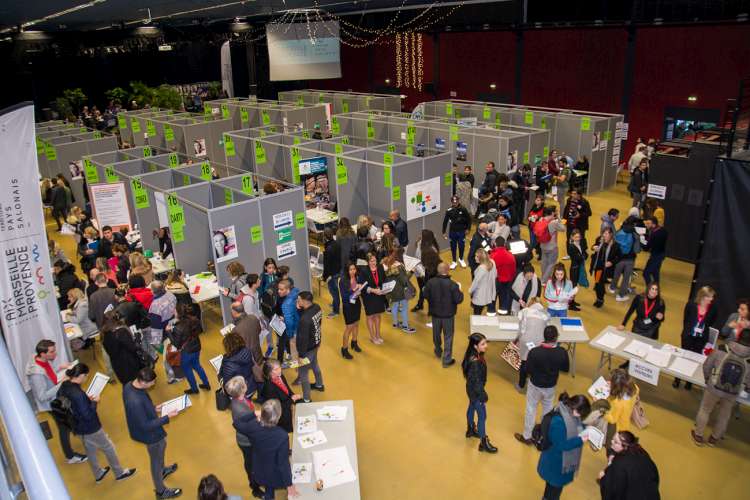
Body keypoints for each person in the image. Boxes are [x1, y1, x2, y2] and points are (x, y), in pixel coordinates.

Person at [57, 363, 136, 483]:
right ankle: (119, 473)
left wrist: (85, 401)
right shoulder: (78, 394)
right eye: (86, 376)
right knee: (108, 447)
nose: (86, 378)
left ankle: (98, 473)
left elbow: (67, 402)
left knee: (90, 449)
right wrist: (94, 402)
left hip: (77, 426)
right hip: (91, 427)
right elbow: (88, 415)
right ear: (81, 375)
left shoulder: (65, 385)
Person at [123, 367, 181, 499]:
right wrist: (167, 417)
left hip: (150, 427)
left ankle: (163, 470)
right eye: (152, 382)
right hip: (149, 434)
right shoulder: (135, 401)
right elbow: (145, 425)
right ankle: (161, 491)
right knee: (155, 459)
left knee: (162, 445)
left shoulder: (129, 386)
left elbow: (141, 410)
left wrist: (154, 408)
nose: (154, 384)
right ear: (143, 382)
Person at [25, 339, 87, 464]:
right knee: (64, 428)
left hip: (57, 398)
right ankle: (70, 456)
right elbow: (42, 396)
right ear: (43, 354)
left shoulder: (41, 360)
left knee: (67, 424)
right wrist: (62, 383)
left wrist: (61, 367)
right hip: (52, 405)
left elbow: (49, 372)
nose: (55, 354)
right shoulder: (36, 374)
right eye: (52, 352)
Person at [691, 328, 750, 446]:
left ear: (738, 337)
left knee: (705, 410)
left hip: (714, 387)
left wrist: (708, 379)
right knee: (724, 415)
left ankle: (698, 435)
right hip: (732, 392)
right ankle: (714, 439)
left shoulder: (722, 348)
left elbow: (707, 365)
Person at [514, 326, 570, 446]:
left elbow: (527, 369)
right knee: (548, 410)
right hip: (551, 386)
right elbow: (565, 368)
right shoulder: (562, 352)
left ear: (544, 336)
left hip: (535, 385)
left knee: (531, 408)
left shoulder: (534, 352)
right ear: (556, 337)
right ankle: (544, 435)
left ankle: (527, 436)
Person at [232, 399, 297, 500]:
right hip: (275, 474)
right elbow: (283, 464)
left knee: (268, 487)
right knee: (271, 482)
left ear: (262, 413)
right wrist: (289, 485)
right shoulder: (282, 436)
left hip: (260, 470)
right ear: (278, 417)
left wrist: (253, 413)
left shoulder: (253, 426)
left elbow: (236, 423)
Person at [536, 393, 591, 500]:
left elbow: (577, 424)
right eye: (581, 414)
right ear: (575, 410)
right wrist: (581, 440)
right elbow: (562, 445)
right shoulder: (559, 422)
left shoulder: (569, 412)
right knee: (554, 490)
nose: (580, 417)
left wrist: (585, 427)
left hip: (560, 462)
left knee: (552, 488)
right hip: (555, 464)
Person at [225, 376, 265, 498]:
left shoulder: (240, 399)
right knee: (251, 464)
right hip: (247, 441)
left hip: (249, 436)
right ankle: (255, 488)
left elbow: (249, 415)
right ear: (243, 389)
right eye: (245, 383)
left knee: (256, 460)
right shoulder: (240, 409)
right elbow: (249, 425)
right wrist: (259, 420)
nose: (247, 383)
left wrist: (255, 414)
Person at [675, 286, 719, 390]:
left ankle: (689, 382)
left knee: (695, 360)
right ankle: (677, 379)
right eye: (710, 297)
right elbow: (686, 320)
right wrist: (688, 331)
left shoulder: (713, 309)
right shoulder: (691, 305)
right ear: (703, 296)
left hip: (701, 339)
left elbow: (711, 322)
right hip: (688, 337)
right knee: (683, 357)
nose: (712, 299)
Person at [462, 333, 498, 453]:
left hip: (470, 389)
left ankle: (470, 429)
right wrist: (483, 396)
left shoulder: (471, 355)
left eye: (485, 342)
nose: (486, 346)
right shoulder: (475, 362)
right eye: (483, 344)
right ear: (475, 346)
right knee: (482, 416)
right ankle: (484, 442)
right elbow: (477, 382)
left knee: (471, 406)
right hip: (476, 392)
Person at [423, 262, 464, 367]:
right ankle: (446, 360)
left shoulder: (430, 282)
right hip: (448, 316)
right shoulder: (453, 285)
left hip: (435, 314)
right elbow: (459, 299)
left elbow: (425, 295)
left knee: (436, 334)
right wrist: (460, 289)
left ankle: (437, 350)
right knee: (448, 336)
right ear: (448, 270)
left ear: (438, 270)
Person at [598, 431, 660, 500]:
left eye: (616, 442)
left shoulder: (619, 464)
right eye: (612, 439)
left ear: (625, 447)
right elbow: (654, 472)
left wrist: (603, 478)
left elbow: (612, 490)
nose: (612, 442)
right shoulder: (641, 451)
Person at [170, 303, 210, 395]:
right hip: (197, 347)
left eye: (174, 310)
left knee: (187, 369)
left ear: (178, 313)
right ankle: (206, 383)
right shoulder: (195, 319)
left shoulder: (178, 327)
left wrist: (169, 332)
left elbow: (176, 344)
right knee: (197, 365)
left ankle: (194, 388)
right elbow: (200, 330)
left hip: (187, 351)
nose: (173, 311)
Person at [295, 291, 325, 402]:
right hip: (316, 343)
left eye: (298, 299)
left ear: (304, 301)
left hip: (307, 349)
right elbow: (318, 322)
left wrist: (301, 355)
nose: (297, 301)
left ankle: (306, 398)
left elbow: (303, 339)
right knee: (314, 364)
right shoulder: (316, 307)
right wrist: (299, 309)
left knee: (303, 373)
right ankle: (319, 384)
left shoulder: (304, 320)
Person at [515, 298, 550, 391]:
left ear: (530, 303)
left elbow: (521, 329)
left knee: (524, 361)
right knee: (537, 363)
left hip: (526, 340)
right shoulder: (545, 314)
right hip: (540, 342)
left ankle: (521, 385)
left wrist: (517, 338)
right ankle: (534, 385)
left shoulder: (524, 311)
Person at [101, 313, 145, 384]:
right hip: (129, 363)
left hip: (117, 364)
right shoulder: (121, 332)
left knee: (126, 384)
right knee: (135, 383)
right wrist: (137, 339)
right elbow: (133, 348)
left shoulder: (104, 334)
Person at [259, 360, 300, 433]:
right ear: (269, 372)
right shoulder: (269, 388)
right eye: (276, 369)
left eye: (279, 367)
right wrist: (292, 400)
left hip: (288, 406)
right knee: (288, 429)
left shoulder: (281, 376)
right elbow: (277, 407)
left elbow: (287, 388)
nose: (280, 370)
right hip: (282, 414)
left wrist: (293, 395)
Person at [383, 251, 416, 333]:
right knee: (404, 308)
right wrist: (411, 271)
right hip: (401, 291)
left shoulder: (386, 265)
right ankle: (405, 326)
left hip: (392, 291)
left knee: (394, 305)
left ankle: (395, 323)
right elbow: (404, 280)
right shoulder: (399, 267)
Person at [610, 216, 641, 301]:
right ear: (634, 224)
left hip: (619, 258)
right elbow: (637, 250)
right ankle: (621, 295)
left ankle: (612, 287)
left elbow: (614, 242)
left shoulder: (620, 229)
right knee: (626, 278)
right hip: (629, 259)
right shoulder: (635, 235)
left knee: (616, 274)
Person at [359, 253, 387, 344]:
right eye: (371, 261)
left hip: (379, 294)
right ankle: (372, 337)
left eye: (375, 260)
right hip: (369, 296)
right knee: (370, 316)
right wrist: (373, 290)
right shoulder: (364, 271)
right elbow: (361, 285)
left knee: (378, 315)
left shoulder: (380, 268)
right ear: (367, 262)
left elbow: (384, 280)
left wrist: (383, 288)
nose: (373, 263)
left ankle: (378, 334)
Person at [339, 263, 365, 359]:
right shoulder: (343, 281)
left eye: (354, 269)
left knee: (356, 324)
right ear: (347, 271)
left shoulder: (357, 277)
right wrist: (354, 291)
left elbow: (358, 292)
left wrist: (359, 290)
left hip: (356, 304)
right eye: (350, 269)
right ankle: (344, 349)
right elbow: (345, 297)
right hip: (348, 306)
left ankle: (354, 343)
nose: (353, 271)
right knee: (349, 328)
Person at [590, 229, 621, 308]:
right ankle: (599, 299)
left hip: (607, 269)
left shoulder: (615, 245)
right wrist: (593, 247)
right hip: (598, 267)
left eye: (606, 234)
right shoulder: (599, 240)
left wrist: (611, 262)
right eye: (604, 233)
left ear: (611, 235)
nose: (604, 235)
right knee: (598, 283)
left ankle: (600, 298)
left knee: (600, 283)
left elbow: (619, 257)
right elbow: (592, 247)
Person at [412, 229, 441, 312]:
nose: (420, 236)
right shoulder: (422, 243)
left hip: (427, 274)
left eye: (422, 235)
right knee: (422, 289)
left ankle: (430, 308)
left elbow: (432, 264)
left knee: (427, 291)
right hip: (420, 273)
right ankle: (420, 304)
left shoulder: (432, 249)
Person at [219, 332, 255, 397]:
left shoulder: (228, 362)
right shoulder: (247, 351)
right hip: (250, 386)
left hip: (238, 391)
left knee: (239, 405)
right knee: (247, 401)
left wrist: (219, 375)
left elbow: (227, 383)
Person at [537, 207, 567, 283]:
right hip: (552, 247)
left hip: (543, 245)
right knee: (551, 263)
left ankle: (544, 277)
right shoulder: (553, 223)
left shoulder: (541, 219)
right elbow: (563, 228)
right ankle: (544, 280)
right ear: (553, 213)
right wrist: (559, 218)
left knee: (544, 262)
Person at [442, 195, 472, 269]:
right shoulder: (448, 210)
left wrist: (468, 229)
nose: (455, 203)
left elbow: (469, 220)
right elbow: (445, 222)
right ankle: (454, 261)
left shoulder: (463, 209)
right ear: (451, 202)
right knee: (453, 246)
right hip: (452, 232)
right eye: (453, 202)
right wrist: (443, 232)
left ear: (458, 201)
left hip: (462, 231)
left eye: (456, 201)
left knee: (461, 246)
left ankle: (461, 259)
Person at [148, 280, 177, 353]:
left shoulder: (155, 307)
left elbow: (156, 327)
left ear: (152, 291)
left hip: (165, 333)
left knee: (169, 354)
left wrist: (157, 344)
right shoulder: (171, 295)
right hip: (174, 324)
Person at [490, 237, 516, 315]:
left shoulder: (493, 256)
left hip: (495, 281)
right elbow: (513, 270)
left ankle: (491, 313)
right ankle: (503, 314)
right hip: (507, 281)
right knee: (504, 299)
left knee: (492, 298)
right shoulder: (511, 255)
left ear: (495, 244)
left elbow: (490, 270)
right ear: (504, 244)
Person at [275, 279, 300, 362]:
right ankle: (289, 354)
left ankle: (280, 361)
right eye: (278, 289)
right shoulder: (295, 292)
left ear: (288, 289)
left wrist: (290, 334)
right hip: (297, 323)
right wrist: (285, 317)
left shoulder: (286, 304)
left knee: (283, 341)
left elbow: (289, 323)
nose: (279, 291)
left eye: (281, 289)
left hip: (292, 329)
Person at [469, 248, 497, 315]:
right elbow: (495, 275)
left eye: (477, 256)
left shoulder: (481, 268)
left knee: (477, 314)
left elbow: (476, 282)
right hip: (488, 293)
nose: (475, 258)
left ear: (481, 258)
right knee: (480, 311)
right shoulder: (492, 262)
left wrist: (470, 290)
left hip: (479, 296)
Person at [321, 228, 341, 319]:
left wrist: (325, 277)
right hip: (337, 271)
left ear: (325, 237)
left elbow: (327, 265)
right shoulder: (336, 244)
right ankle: (334, 304)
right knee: (335, 289)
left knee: (334, 291)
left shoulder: (328, 249)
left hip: (331, 274)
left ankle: (336, 311)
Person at [642, 216, 668, 286]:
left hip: (655, 256)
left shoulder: (654, 234)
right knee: (655, 274)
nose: (646, 225)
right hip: (661, 254)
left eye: (648, 223)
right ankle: (656, 292)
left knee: (646, 273)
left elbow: (646, 248)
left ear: (653, 224)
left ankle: (650, 290)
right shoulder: (663, 230)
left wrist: (640, 241)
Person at [566, 229, 588, 312]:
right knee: (573, 286)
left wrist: (582, 256)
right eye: (576, 237)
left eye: (579, 237)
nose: (578, 238)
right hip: (574, 268)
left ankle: (572, 301)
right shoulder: (571, 246)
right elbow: (577, 257)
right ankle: (571, 304)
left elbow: (585, 254)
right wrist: (582, 256)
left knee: (575, 286)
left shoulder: (580, 244)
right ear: (572, 237)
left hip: (578, 266)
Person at [527, 194, 545, 261]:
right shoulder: (534, 207)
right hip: (531, 227)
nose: (536, 201)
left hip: (538, 229)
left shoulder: (543, 209)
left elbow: (543, 219)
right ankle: (529, 255)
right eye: (536, 200)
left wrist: (538, 218)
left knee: (537, 243)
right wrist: (529, 218)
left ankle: (537, 254)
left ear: (542, 201)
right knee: (532, 242)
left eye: (538, 200)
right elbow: (529, 214)